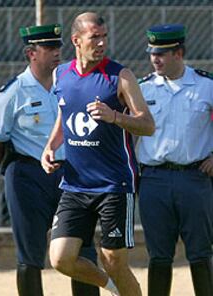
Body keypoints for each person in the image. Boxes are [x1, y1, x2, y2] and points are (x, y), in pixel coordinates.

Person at [41, 12, 155, 296]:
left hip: (114, 185)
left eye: (104, 37)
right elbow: (64, 112)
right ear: (76, 40)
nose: (102, 43)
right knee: (60, 258)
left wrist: (114, 116)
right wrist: (50, 146)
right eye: (95, 38)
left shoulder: (121, 76)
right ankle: (112, 287)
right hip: (75, 184)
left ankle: (120, 283)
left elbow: (148, 125)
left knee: (113, 260)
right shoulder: (61, 74)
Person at [0, 24, 99, 296]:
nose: (56, 52)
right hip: (29, 175)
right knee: (30, 252)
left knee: (81, 246)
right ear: (31, 53)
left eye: (58, 47)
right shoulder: (14, 92)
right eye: (49, 48)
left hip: (71, 174)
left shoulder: (70, 82)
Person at [137, 24, 213, 296]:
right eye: (152, 53)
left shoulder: (206, 86)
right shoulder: (142, 89)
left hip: (195, 178)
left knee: (201, 253)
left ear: (179, 53)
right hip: (154, 179)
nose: (155, 59)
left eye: (162, 53)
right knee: (158, 255)